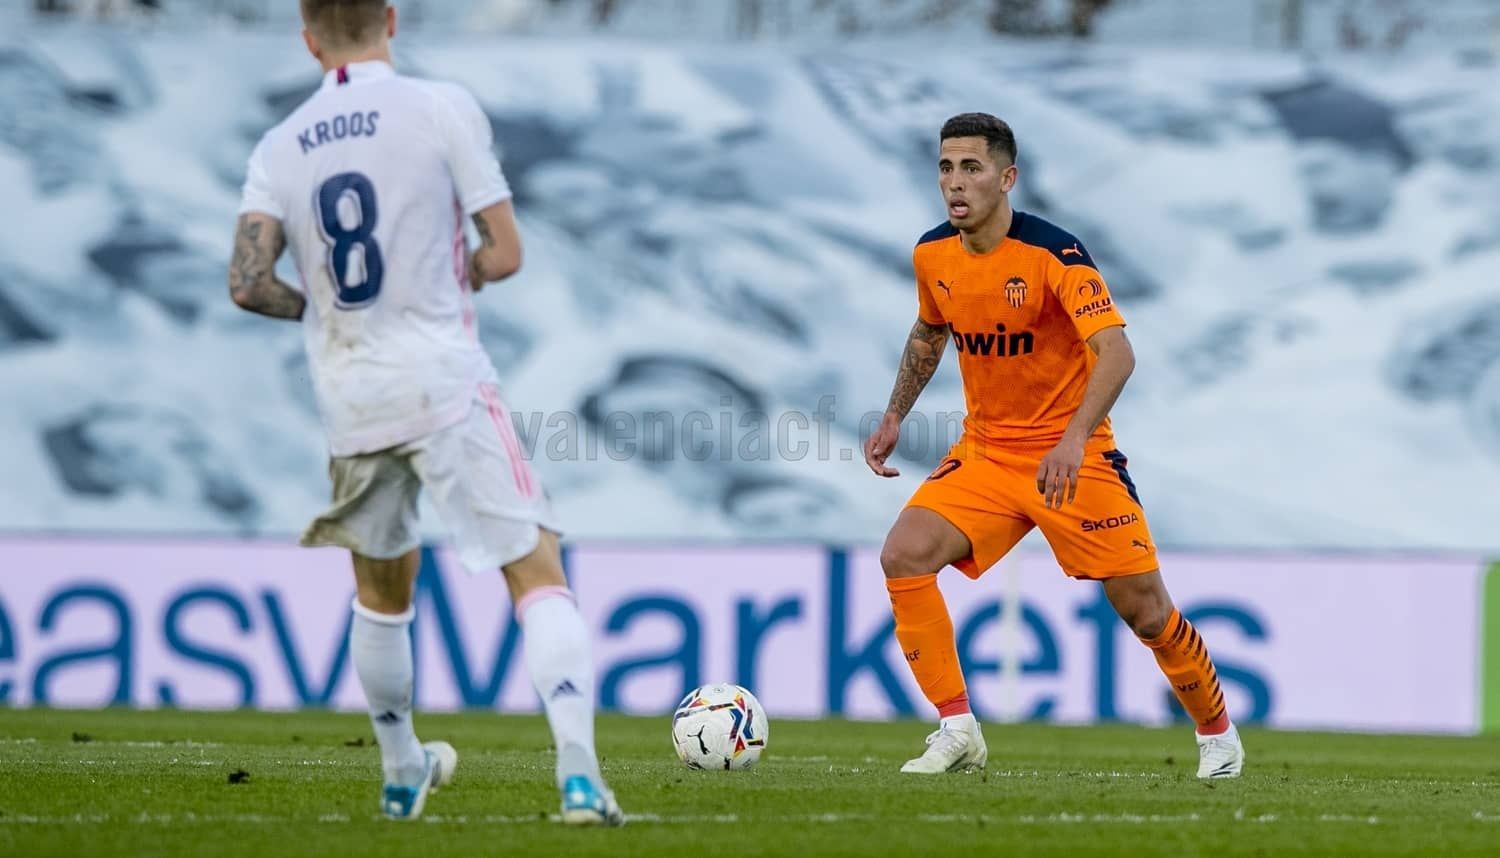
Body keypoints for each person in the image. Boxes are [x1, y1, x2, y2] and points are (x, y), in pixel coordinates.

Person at [228, 0, 624, 825]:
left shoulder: (278, 146)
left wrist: (326, 309)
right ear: (392, 20)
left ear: (308, 38)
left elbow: (248, 284)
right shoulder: (440, 105)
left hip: (350, 393)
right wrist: (457, 274)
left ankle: (404, 768)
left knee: (381, 594)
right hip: (443, 381)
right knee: (534, 566)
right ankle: (581, 778)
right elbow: (504, 254)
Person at [864, 112, 1245, 779]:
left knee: (1145, 611)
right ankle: (957, 729)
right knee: (904, 554)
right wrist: (896, 413)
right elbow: (929, 332)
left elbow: (1117, 353)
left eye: (972, 168)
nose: (956, 183)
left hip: (1074, 458)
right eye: (947, 168)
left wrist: (1072, 440)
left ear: (1007, 178)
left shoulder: (1054, 254)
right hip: (985, 454)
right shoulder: (932, 254)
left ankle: (1218, 734)